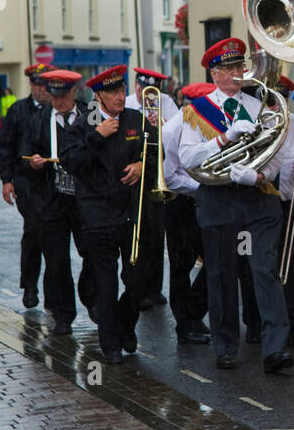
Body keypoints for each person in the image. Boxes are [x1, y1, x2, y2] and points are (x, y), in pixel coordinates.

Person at [174, 38, 294, 373]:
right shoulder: (195, 112)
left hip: (257, 201)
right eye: (227, 69)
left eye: (239, 67)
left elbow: (277, 151)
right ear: (214, 74)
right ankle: (226, 345)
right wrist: (224, 139)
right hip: (218, 200)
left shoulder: (260, 106)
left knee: (264, 270)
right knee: (221, 273)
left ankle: (275, 347)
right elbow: (187, 158)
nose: (236, 73)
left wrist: (259, 175)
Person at [58, 65, 146, 364]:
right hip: (97, 214)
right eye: (113, 92)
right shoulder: (84, 124)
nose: (120, 97)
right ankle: (111, 344)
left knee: (139, 281)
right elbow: (70, 162)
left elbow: (156, 152)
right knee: (106, 284)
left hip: (131, 213)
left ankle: (124, 325)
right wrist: (96, 135)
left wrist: (142, 166)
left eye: (122, 91)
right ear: (98, 96)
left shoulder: (136, 119)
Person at [237, 76, 294, 348]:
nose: (276, 109)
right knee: (256, 266)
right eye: (271, 103)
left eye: (280, 102)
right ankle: (255, 323)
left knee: (292, 266)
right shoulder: (250, 125)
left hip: (289, 202)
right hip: (256, 202)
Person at [20, 70, 96, 335]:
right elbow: (26, 156)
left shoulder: (90, 114)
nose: (59, 102)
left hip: (84, 198)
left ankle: (91, 295)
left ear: (74, 92)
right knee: (56, 260)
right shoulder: (38, 119)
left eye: (63, 96)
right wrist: (34, 164)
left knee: (92, 251)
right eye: (54, 96)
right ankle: (63, 315)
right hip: (51, 198)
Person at [160, 82, 214, 345]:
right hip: (182, 202)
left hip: (208, 201)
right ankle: (184, 323)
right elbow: (170, 177)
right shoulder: (174, 129)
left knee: (216, 260)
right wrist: (205, 187)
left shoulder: (213, 124)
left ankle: (193, 314)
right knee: (182, 265)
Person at [0, 64, 53, 309]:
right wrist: (7, 180)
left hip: (51, 181)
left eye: (45, 85)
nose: (41, 89)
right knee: (33, 232)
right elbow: (5, 146)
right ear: (31, 85)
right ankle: (29, 286)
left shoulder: (55, 109)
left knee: (53, 237)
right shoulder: (18, 110)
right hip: (26, 182)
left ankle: (53, 291)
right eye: (37, 84)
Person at [125, 67, 179, 309]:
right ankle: (135, 286)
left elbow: (178, 135)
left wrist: (162, 125)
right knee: (135, 232)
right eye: (142, 89)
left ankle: (154, 290)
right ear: (136, 86)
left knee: (157, 234)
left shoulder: (167, 104)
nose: (147, 96)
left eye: (153, 92)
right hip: (133, 176)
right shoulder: (125, 104)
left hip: (158, 173)